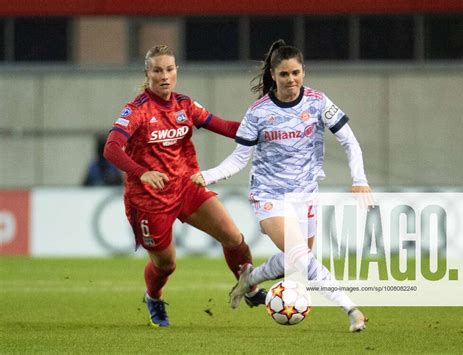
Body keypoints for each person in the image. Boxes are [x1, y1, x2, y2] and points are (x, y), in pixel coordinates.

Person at [191, 40, 371, 332]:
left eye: (296, 73)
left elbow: (349, 141)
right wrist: (209, 175)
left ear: (304, 72)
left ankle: (250, 278)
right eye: (285, 74)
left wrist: (359, 180)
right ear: (273, 75)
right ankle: (351, 309)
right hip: (269, 196)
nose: (292, 80)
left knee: (296, 261)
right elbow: (239, 159)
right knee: (301, 257)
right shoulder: (258, 113)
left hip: (306, 195)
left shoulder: (318, 102)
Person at [103, 45, 266, 328]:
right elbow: (111, 148)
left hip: (186, 186)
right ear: (147, 74)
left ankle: (249, 288)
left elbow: (224, 127)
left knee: (233, 237)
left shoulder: (185, 105)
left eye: (169, 69)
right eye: (157, 70)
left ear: (177, 71)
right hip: (149, 200)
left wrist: (264, 129)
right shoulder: (136, 111)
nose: (164, 75)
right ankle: (153, 297)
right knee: (166, 264)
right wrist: (141, 173)